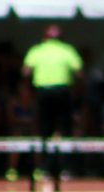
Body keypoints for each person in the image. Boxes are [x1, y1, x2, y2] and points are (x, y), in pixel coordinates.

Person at [22, 24, 83, 177]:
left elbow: (25, 71)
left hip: (43, 93)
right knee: (64, 129)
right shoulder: (67, 50)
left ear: (45, 37)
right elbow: (79, 72)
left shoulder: (37, 50)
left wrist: (29, 91)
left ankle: (45, 167)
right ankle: (65, 168)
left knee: (45, 130)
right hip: (62, 92)